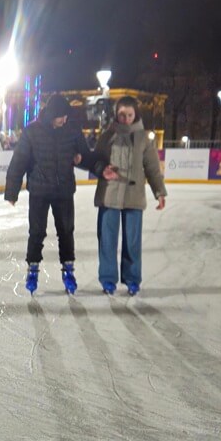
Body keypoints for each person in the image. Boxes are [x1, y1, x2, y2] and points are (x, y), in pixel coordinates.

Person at [4, 95, 95, 295]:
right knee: (37, 232)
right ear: (52, 115)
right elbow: (19, 162)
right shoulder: (32, 132)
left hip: (64, 190)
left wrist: (94, 165)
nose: (64, 120)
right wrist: (12, 191)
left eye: (66, 117)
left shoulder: (72, 130)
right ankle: (33, 269)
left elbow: (85, 155)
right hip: (39, 191)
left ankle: (69, 270)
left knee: (66, 231)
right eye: (61, 117)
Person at [89, 96, 167, 297]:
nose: (125, 119)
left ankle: (132, 279)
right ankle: (108, 280)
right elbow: (95, 162)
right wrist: (101, 168)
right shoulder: (107, 136)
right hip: (109, 195)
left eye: (129, 115)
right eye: (121, 115)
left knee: (132, 242)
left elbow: (152, 168)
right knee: (107, 241)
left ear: (136, 115)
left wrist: (159, 192)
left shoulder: (144, 138)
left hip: (134, 196)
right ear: (116, 114)